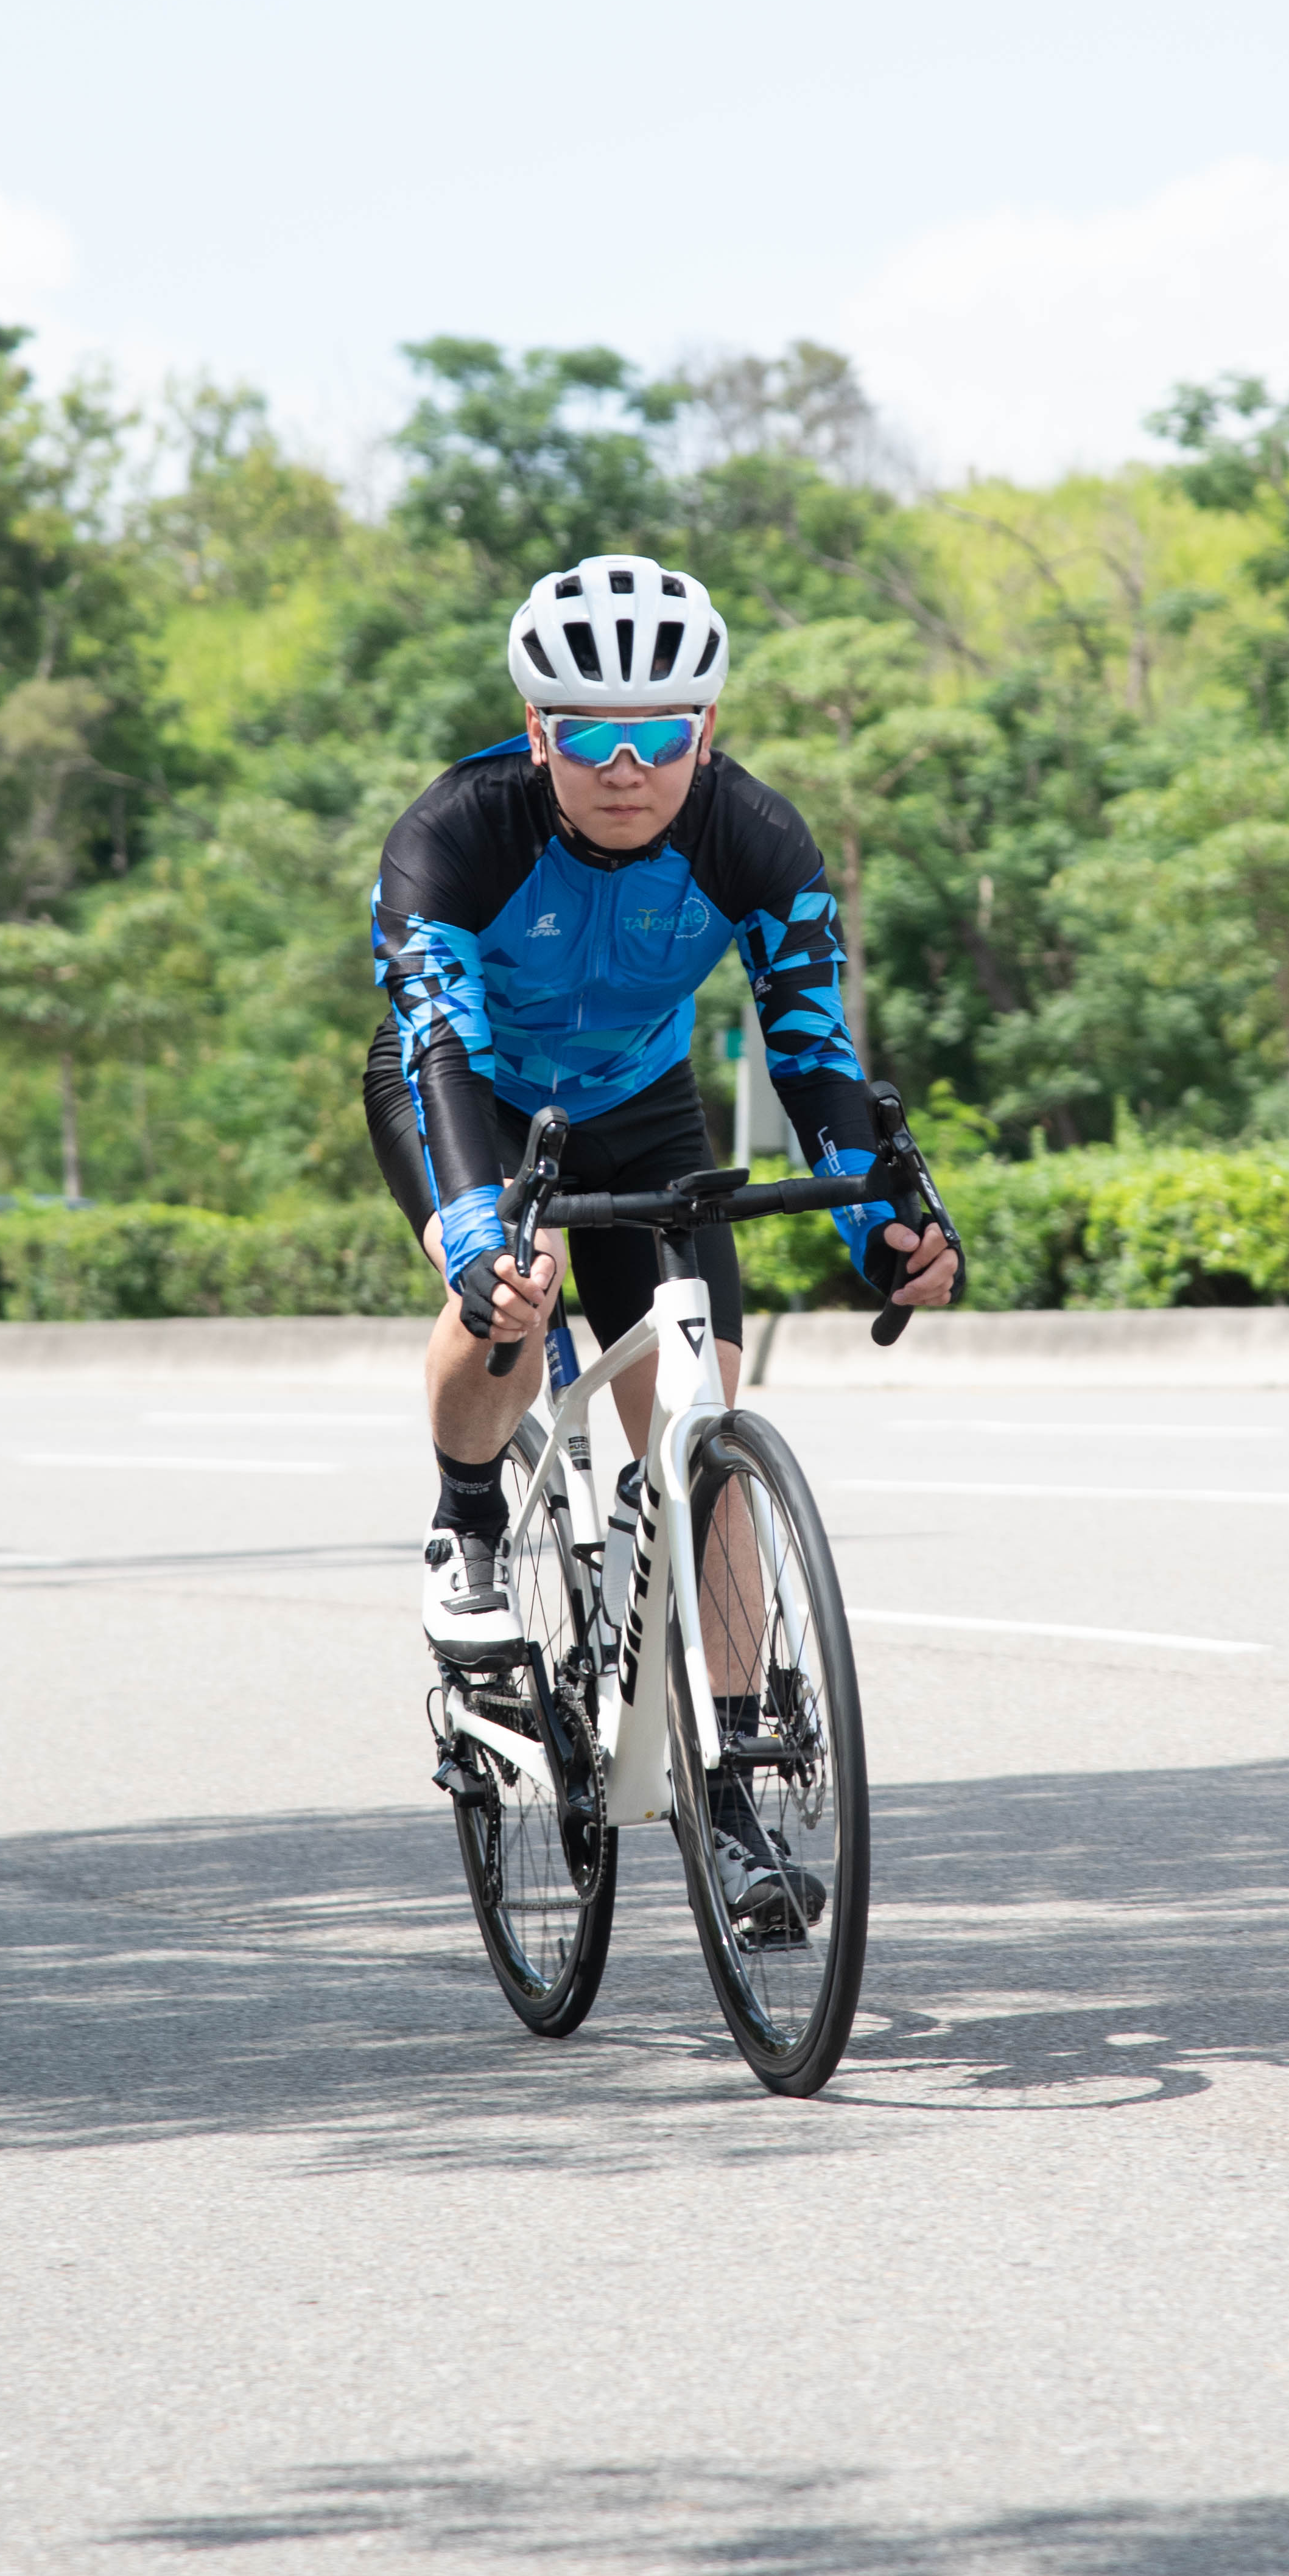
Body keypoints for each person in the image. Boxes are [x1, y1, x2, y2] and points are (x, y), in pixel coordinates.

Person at [365, 551, 958, 1923]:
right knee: (514, 1289)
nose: (626, 768)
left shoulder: (756, 837)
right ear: (537, 732)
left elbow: (813, 1052)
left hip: (642, 1109)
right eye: (589, 737)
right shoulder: (452, 835)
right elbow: (438, 1046)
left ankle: (732, 1790)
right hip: (470, 1095)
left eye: (661, 735)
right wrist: (480, 1237)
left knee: (703, 1438)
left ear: (707, 727)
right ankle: (468, 1526)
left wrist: (884, 1221)